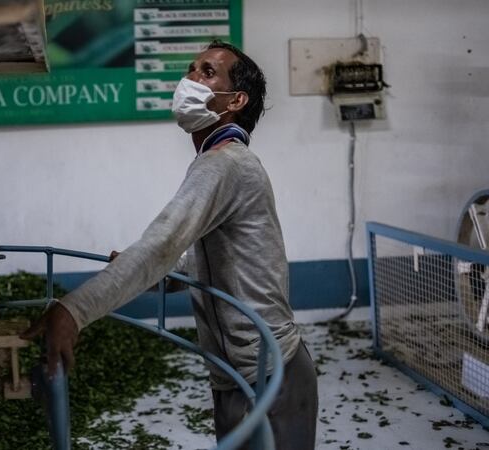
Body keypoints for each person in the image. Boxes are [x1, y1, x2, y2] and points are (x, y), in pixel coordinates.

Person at [21, 40, 318, 449]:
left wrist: (74, 310)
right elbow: (207, 261)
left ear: (235, 100)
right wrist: (165, 275)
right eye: (192, 68)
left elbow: (161, 243)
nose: (191, 78)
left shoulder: (225, 164)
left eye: (207, 72)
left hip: (270, 370)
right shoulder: (216, 160)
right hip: (233, 371)